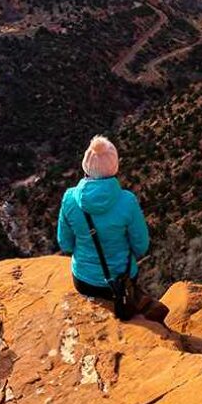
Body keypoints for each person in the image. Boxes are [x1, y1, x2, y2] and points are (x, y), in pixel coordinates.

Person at [56, 135, 168, 323]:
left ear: (86, 165)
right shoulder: (127, 201)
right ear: (114, 166)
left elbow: (65, 244)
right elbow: (141, 246)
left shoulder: (69, 198)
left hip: (84, 281)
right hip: (121, 281)